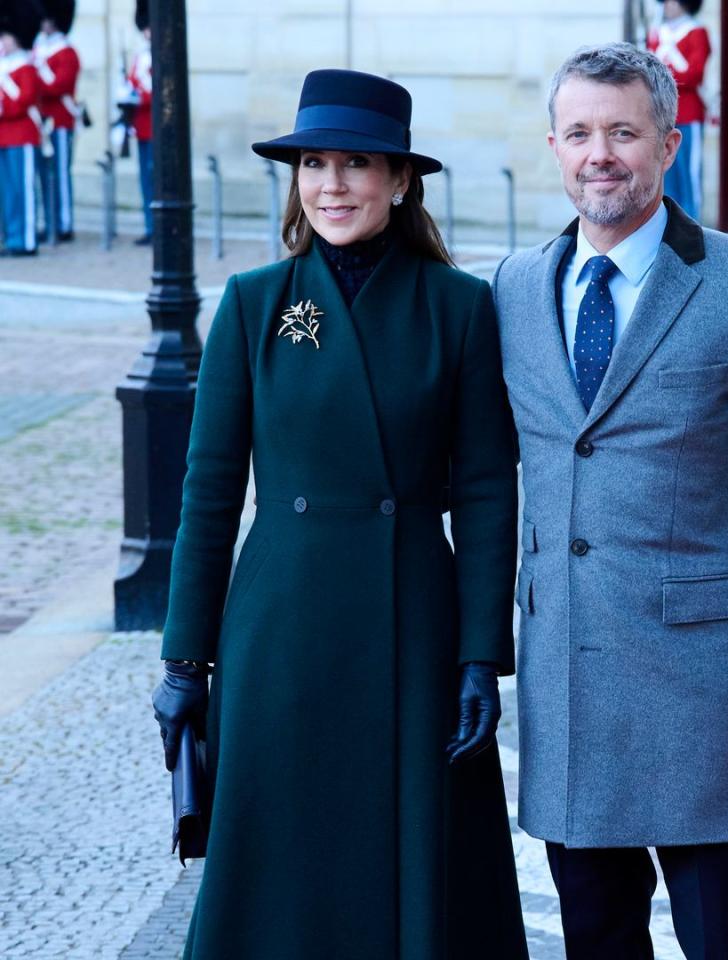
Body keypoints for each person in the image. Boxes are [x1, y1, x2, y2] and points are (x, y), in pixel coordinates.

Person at [151, 69, 529, 960]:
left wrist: (481, 657)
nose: (331, 184)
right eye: (313, 163)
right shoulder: (255, 305)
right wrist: (183, 657)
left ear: (401, 180)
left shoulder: (461, 308)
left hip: (411, 625)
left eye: (356, 163)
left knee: (412, 862)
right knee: (282, 866)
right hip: (279, 630)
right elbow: (208, 492)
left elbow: (484, 492)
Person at [493, 43, 728, 959]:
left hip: (706, 687)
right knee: (596, 936)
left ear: (668, 144)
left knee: (721, 936)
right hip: (567, 679)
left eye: (622, 132)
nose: (600, 153)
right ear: (555, 146)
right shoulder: (516, 289)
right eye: (579, 133)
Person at [648, 0, 710, 220]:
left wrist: (668, 70)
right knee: (665, 175)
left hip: (689, 113)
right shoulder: (658, 32)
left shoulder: (696, 32)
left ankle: (693, 225)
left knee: (689, 177)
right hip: (662, 116)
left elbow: (694, 74)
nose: (664, 5)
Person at [33, 0, 80, 243]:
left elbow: (58, 85)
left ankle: (64, 223)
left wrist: (35, 78)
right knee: (43, 175)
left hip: (60, 120)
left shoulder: (66, 52)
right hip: (41, 122)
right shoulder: (37, 50)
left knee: (60, 172)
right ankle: (48, 221)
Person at [0, 4, 41, 257]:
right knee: (6, 190)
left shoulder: (26, 66)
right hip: (4, 135)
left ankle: (25, 239)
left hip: (23, 134)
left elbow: (25, 99)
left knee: (22, 189)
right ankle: (11, 235)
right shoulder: (5, 66)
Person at [128, 4, 152, 245]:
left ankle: (158, 228)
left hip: (158, 128)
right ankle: (150, 225)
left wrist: (139, 96)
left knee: (156, 179)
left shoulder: (162, 55)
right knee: (145, 179)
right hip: (142, 126)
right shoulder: (140, 56)